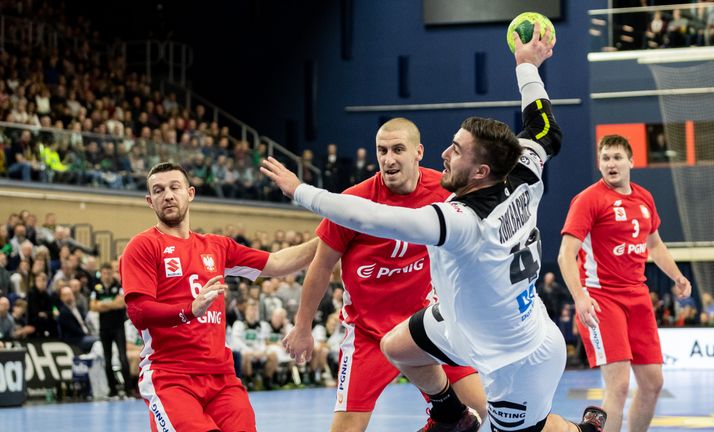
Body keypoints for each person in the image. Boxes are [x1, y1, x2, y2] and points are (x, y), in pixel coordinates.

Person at [263, 24, 606, 432]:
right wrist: (526, 66)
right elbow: (546, 128)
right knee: (398, 346)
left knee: (523, 429)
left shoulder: (462, 222)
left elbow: (369, 216)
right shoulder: (525, 173)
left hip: (516, 356)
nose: (445, 153)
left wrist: (300, 190)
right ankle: (449, 415)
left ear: (480, 171)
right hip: (460, 323)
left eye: (456, 151)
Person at [280, 117, 485, 431]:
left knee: (484, 412)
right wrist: (303, 326)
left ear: (418, 152)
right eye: (382, 150)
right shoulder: (353, 202)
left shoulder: (445, 192)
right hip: (368, 335)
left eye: (398, 149)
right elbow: (320, 266)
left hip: (427, 325)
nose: (389, 159)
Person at [120, 162, 319, 432]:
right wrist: (190, 309)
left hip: (221, 379)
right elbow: (139, 313)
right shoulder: (143, 246)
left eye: (174, 187)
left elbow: (279, 262)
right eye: (158, 190)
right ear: (149, 201)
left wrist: (333, 232)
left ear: (190, 193)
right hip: (170, 377)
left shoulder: (216, 246)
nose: (167, 195)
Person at [557, 134, 692, 432]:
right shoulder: (588, 199)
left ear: (631, 161)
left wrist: (678, 276)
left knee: (653, 383)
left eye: (617, 157)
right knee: (618, 386)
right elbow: (566, 255)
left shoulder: (644, 198)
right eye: (605, 158)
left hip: (638, 298)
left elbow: (654, 245)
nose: (611, 163)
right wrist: (580, 297)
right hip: (602, 299)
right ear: (600, 163)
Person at [90, 262, 131, 398]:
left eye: (109, 273)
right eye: (104, 273)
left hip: (118, 327)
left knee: (122, 357)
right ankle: (112, 390)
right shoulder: (96, 288)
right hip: (104, 328)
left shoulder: (118, 286)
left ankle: (128, 389)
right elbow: (93, 307)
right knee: (107, 360)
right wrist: (111, 304)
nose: (107, 276)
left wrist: (103, 304)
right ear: (100, 274)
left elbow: (121, 303)